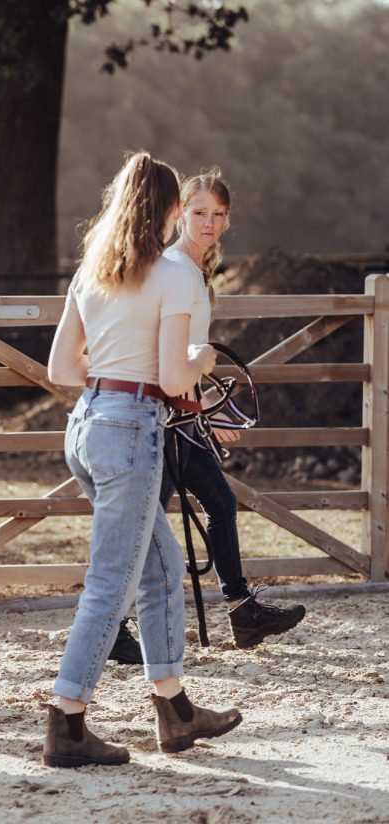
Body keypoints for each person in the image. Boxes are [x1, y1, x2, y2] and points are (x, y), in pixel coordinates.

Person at [44, 151, 242, 768]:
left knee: (160, 567)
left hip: (86, 426)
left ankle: (174, 710)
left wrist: (113, 382)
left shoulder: (92, 271)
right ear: (175, 210)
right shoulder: (174, 274)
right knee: (111, 582)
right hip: (130, 433)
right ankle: (67, 722)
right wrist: (205, 357)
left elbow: (59, 370)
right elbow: (174, 375)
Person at [108, 171, 306, 666]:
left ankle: (241, 610)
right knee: (146, 523)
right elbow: (169, 350)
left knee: (214, 501)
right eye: (199, 212)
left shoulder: (192, 270)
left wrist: (201, 410)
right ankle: (113, 626)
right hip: (165, 416)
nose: (209, 222)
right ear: (180, 214)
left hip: (179, 415)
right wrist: (195, 408)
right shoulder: (175, 268)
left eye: (218, 214)